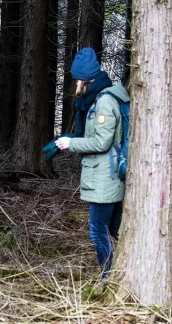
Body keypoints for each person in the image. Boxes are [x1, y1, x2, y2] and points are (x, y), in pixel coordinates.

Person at [50, 47, 129, 280]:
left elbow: (102, 142)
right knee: (114, 228)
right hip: (107, 174)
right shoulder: (102, 96)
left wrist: (70, 144)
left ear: (84, 78)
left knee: (98, 231)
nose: (76, 83)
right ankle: (123, 271)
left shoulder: (104, 101)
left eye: (77, 78)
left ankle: (109, 277)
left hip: (105, 176)